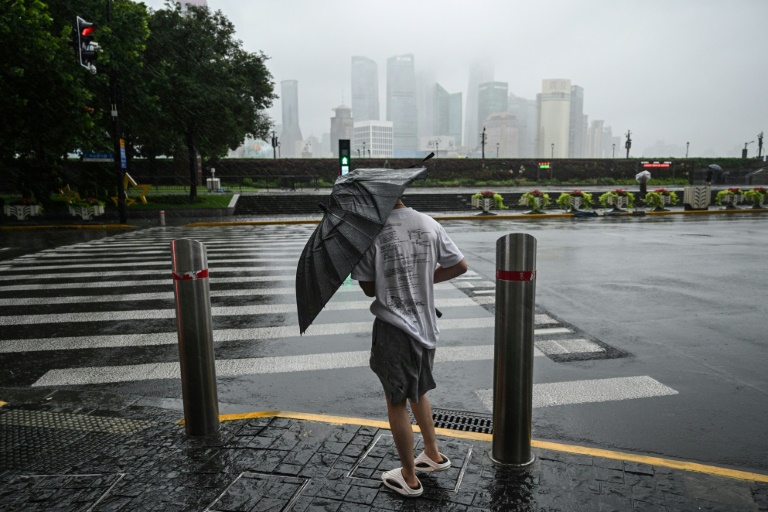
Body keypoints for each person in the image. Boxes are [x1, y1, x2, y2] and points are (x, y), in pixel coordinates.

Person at [352, 197, 468, 498]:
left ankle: (408, 476)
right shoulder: (428, 222)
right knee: (418, 390)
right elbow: (459, 265)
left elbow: (367, 288)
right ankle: (432, 452)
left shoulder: (371, 234)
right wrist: (422, 280)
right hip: (426, 325)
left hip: (394, 328)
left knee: (396, 401)